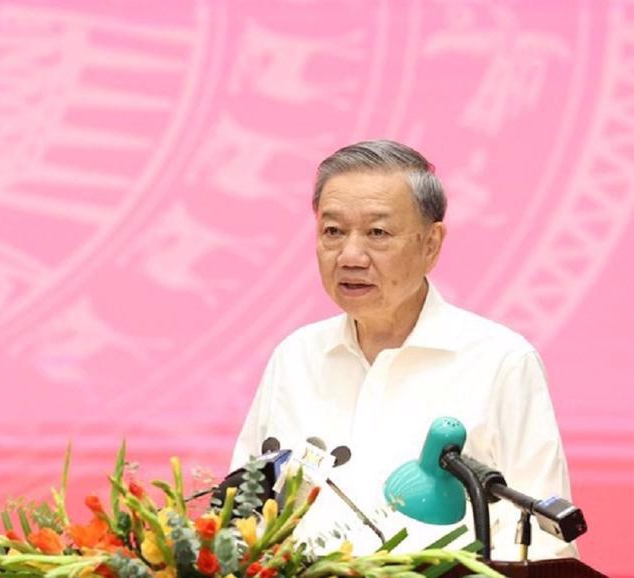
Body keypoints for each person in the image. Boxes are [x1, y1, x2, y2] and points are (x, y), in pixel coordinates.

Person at [230, 140, 577, 560]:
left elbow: (541, 541)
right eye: (333, 231)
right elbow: (242, 516)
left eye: (377, 233)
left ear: (431, 244)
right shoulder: (296, 357)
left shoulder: (499, 361)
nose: (351, 255)